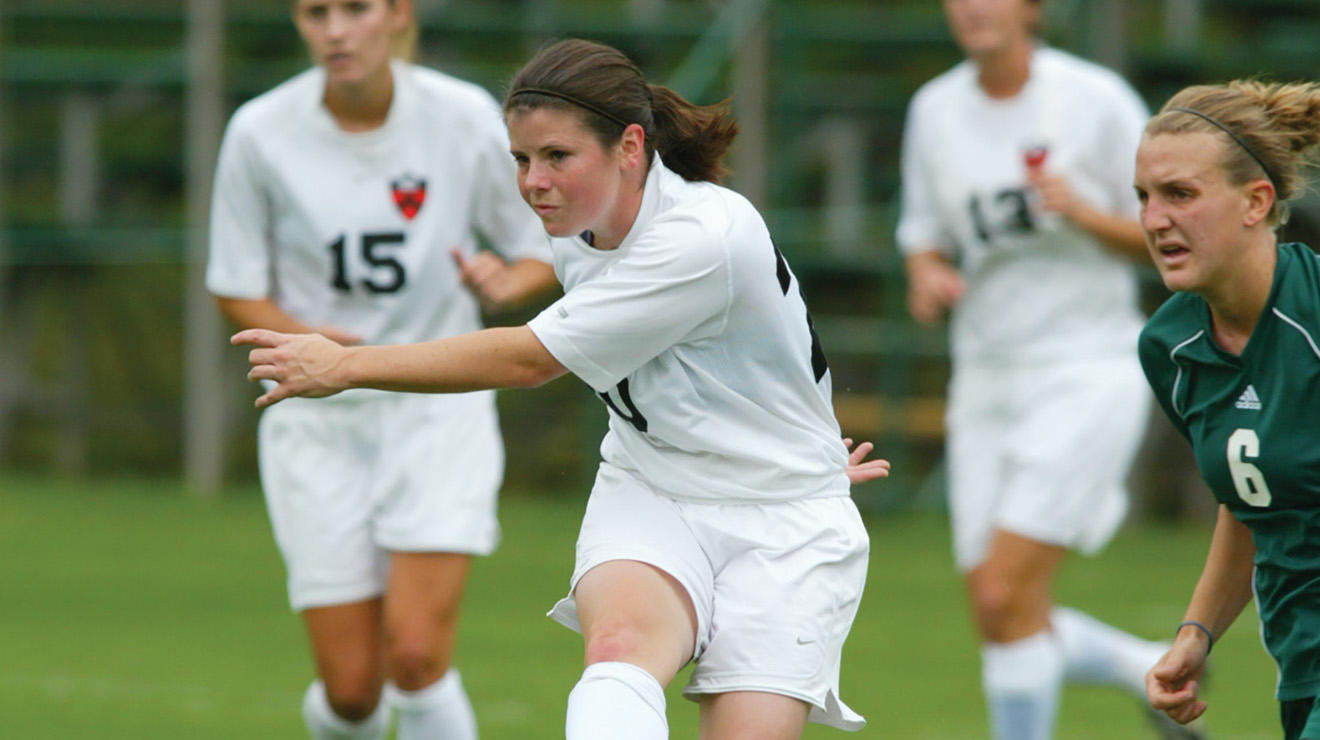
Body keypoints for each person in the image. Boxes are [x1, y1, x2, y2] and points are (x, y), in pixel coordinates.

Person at [234, 37, 890, 740]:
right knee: (616, 657)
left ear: (630, 148)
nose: (532, 182)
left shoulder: (704, 236)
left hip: (784, 527)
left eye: (556, 157)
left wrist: (345, 364)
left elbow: (528, 360)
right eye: (521, 159)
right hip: (653, 490)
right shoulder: (578, 227)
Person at [205, 1, 557, 738]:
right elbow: (235, 284)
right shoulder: (260, 132)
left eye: (356, 8)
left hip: (437, 409)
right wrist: (312, 344)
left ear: (397, 14)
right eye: (315, 12)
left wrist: (511, 282)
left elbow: (544, 246)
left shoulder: (463, 118)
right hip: (317, 421)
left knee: (418, 656)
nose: (335, 30)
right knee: (354, 691)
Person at [895, 1, 1195, 738]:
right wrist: (928, 275)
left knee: (1005, 594)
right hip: (986, 375)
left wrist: (1085, 213)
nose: (973, 8)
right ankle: (1142, 664)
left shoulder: (1092, 100)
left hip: (1084, 369)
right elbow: (923, 237)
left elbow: (1172, 234)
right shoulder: (934, 109)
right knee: (1000, 611)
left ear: (1032, 8)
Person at [1137, 80, 1320, 739]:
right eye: (1145, 197)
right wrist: (1198, 631)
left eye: (1180, 194)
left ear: (1256, 202)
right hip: (1301, 665)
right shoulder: (1171, 347)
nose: (1156, 218)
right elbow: (1251, 495)